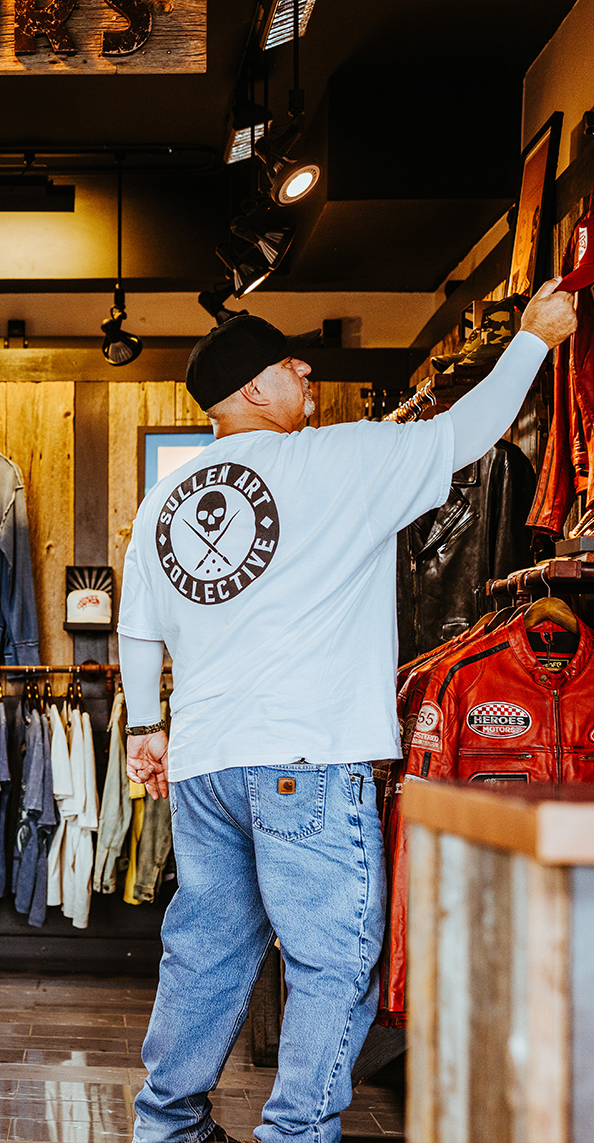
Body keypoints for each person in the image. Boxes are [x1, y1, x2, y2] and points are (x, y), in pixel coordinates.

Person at [117, 279, 579, 1143]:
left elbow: (136, 629)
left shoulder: (163, 504)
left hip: (206, 766)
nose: (305, 371)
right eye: (289, 363)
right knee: (335, 962)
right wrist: (535, 339)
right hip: (307, 759)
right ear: (254, 389)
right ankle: (294, 1135)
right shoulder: (337, 458)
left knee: (207, 956)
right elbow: (466, 433)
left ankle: (166, 1126)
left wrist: (147, 727)